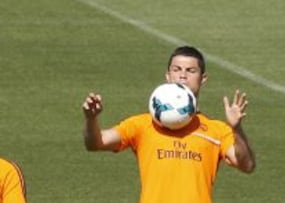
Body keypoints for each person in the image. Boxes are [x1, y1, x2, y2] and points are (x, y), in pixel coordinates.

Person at [82, 46, 255, 203]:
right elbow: (96, 143)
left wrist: (236, 128)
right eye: (176, 69)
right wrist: (91, 119)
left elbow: (247, 165)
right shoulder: (142, 124)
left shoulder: (217, 130)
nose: (182, 75)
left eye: (191, 70)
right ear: (167, 75)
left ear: (203, 79)